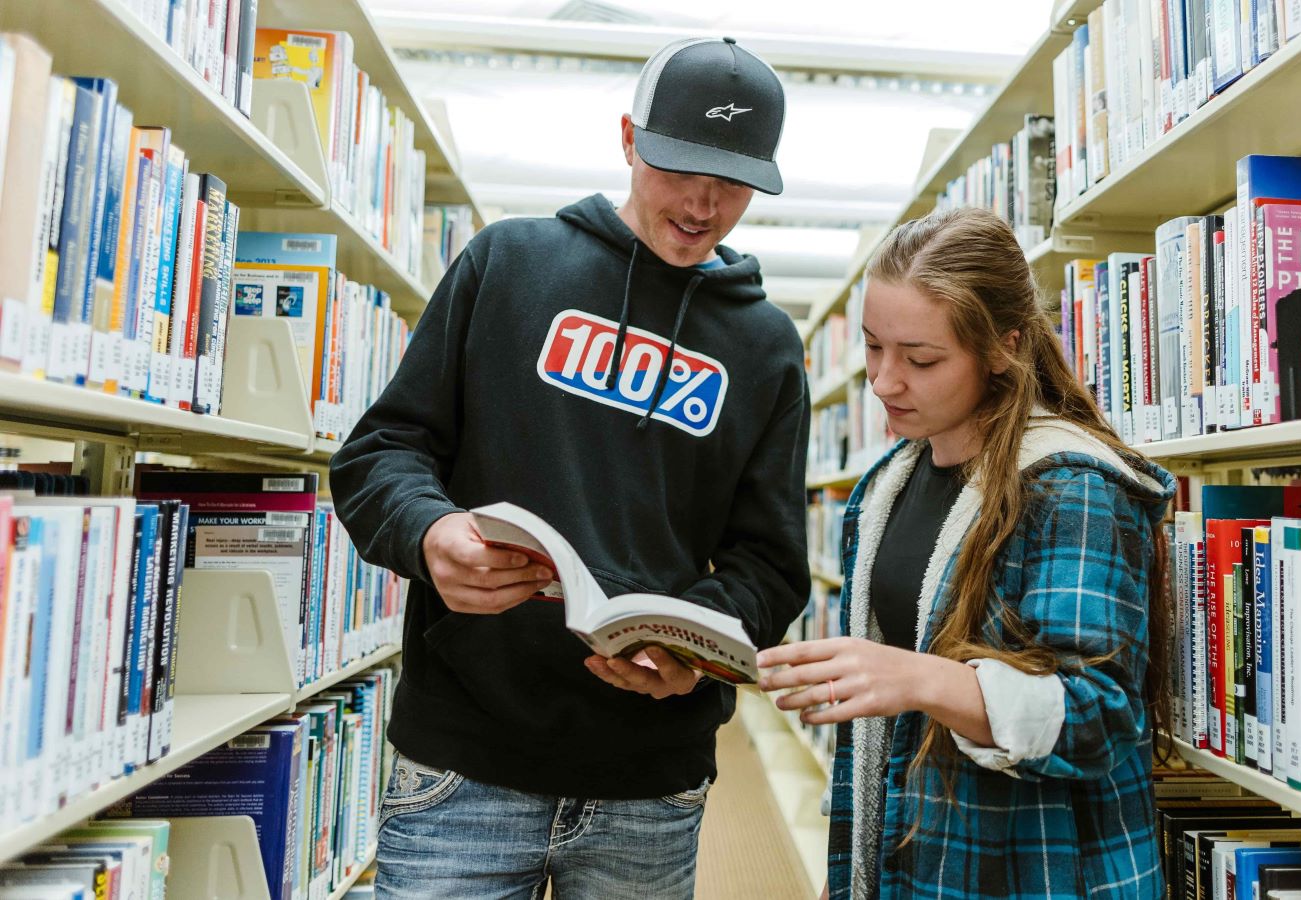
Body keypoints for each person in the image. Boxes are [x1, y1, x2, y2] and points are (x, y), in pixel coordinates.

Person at [330, 37, 809, 899]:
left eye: (734, 181)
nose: (704, 204)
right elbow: (381, 452)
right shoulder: (506, 263)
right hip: (463, 765)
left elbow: (770, 566)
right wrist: (430, 532)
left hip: (649, 783)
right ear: (629, 139)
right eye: (679, 167)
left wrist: (697, 644)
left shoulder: (767, 347)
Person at [759, 208, 1176, 899]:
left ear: (1001, 347)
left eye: (921, 359)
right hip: (915, 861)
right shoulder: (887, 485)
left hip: (1035, 871)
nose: (885, 382)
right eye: (871, 348)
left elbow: (1102, 715)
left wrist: (921, 680)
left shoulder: (1073, 488)